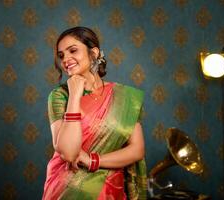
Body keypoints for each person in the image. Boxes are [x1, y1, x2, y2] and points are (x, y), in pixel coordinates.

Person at [42, 26, 147, 200]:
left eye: (73, 51)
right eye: (61, 56)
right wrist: (75, 94)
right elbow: (68, 153)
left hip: (111, 190)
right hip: (67, 190)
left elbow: (137, 150)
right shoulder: (59, 96)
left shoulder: (124, 98)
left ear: (94, 53)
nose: (66, 59)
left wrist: (93, 160)